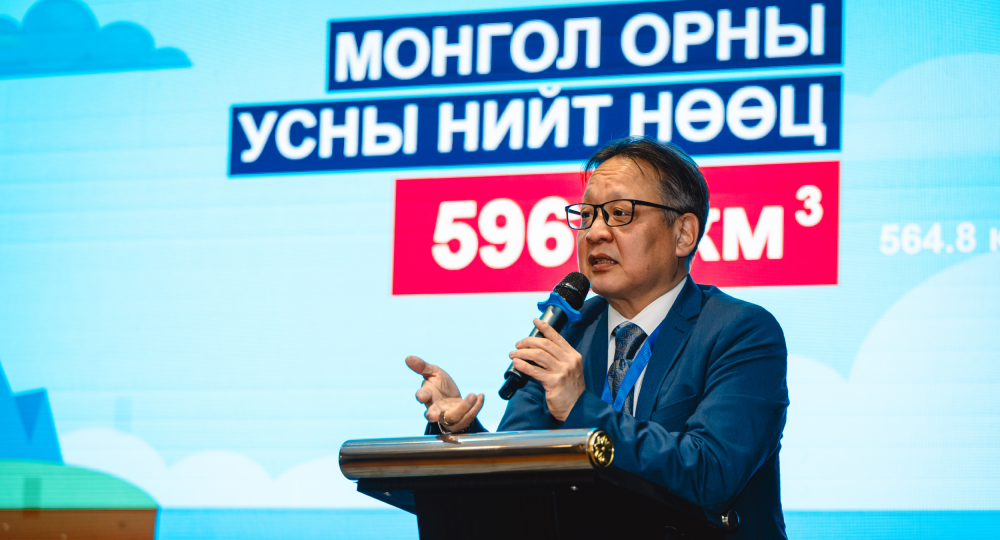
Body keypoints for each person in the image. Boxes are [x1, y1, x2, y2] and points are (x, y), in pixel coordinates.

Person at [405, 137, 789, 540]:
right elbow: (517, 469)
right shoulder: (566, 330)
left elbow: (711, 475)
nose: (595, 233)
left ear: (684, 233)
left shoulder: (741, 332)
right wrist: (461, 435)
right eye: (586, 216)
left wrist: (578, 407)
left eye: (619, 213)